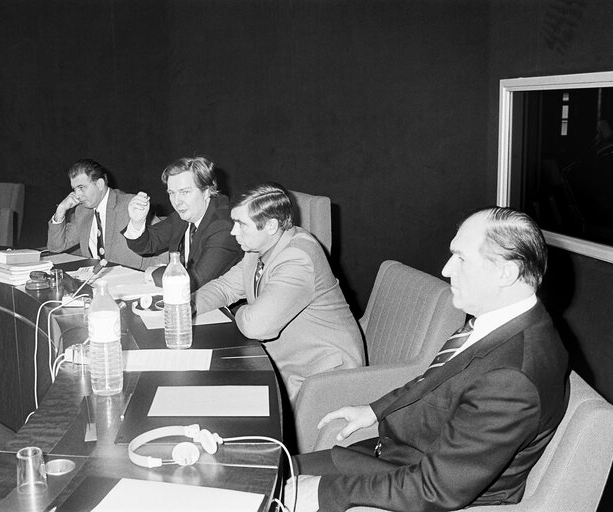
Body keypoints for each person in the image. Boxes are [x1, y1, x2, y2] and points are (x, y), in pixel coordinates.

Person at [287, 206, 569, 512]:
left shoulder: (512, 378)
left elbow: (436, 489)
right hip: (394, 460)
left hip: (413, 486)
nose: (447, 269)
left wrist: (323, 491)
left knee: (255, 491)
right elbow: (433, 381)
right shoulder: (501, 321)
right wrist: (374, 410)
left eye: (461, 258)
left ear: (506, 272)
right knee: (259, 474)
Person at [192, 183, 364, 404]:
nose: (233, 231)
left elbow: (257, 326)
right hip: (287, 358)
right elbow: (225, 287)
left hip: (322, 373)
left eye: (241, 225)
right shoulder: (258, 248)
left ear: (271, 226)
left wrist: (240, 311)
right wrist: (187, 305)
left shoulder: (298, 258)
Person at [123, 156, 242, 290]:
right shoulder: (184, 216)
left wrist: (152, 272)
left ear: (207, 191)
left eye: (185, 192)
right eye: (171, 193)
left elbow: (196, 281)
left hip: (218, 308)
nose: (177, 201)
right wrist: (137, 221)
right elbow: (148, 244)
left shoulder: (223, 226)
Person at [47, 159, 162, 270]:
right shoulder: (82, 211)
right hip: (98, 279)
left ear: (100, 184)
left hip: (132, 280)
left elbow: (163, 241)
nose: (77, 195)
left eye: (81, 188)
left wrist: (153, 275)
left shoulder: (129, 205)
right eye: (74, 189)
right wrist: (61, 211)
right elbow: (56, 247)